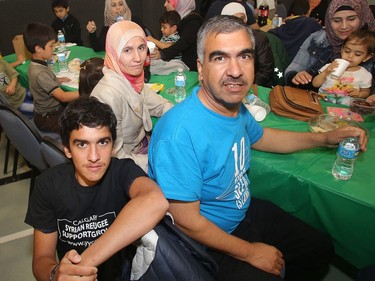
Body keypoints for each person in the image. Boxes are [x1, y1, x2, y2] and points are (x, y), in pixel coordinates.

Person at [148, 15, 369, 281]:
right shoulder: (179, 133)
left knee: (319, 248)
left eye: (244, 56)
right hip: (206, 240)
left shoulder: (232, 106)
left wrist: (323, 139)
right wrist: (249, 252)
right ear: (201, 67)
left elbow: (261, 136)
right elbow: (187, 221)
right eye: (220, 58)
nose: (235, 71)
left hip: (242, 210)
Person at [24, 96, 168, 280]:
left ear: (113, 145)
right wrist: (56, 275)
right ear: (67, 149)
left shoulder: (123, 171)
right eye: (82, 144)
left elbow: (155, 200)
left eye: (102, 142)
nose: (94, 156)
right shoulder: (48, 185)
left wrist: (83, 265)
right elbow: (41, 260)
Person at [91, 21, 173, 172]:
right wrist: (158, 161)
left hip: (141, 146)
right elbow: (116, 156)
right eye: (127, 50)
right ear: (113, 53)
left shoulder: (131, 79)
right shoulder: (108, 96)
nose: (138, 58)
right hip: (126, 162)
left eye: (141, 48)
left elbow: (162, 105)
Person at [284, 0, 375, 89]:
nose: (344, 26)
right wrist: (296, 76)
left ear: (363, 17)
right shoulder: (318, 39)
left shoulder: (371, 44)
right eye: (336, 20)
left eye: (351, 19)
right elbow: (293, 69)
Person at [23, 22, 79, 134]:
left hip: (48, 113)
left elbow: (40, 83)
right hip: (48, 118)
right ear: (38, 49)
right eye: (51, 46)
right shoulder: (40, 72)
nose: (54, 49)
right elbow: (62, 97)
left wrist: (56, 80)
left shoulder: (34, 64)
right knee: (77, 127)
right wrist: (85, 92)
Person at [210, 1, 274, 87]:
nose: (239, 23)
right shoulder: (218, 40)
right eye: (233, 19)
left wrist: (244, 86)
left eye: (242, 18)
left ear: (246, 19)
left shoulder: (259, 39)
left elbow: (265, 71)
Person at [312, 29, 374, 105]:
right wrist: (325, 72)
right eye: (347, 51)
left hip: (345, 108)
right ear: (342, 50)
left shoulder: (364, 74)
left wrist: (359, 94)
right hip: (321, 103)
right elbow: (315, 84)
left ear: (367, 57)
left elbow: (366, 91)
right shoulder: (331, 66)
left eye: (357, 54)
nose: (350, 56)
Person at [150, 0, 203, 72]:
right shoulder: (179, 21)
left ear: (181, 4)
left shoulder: (193, 22)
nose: (165, 5)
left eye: (168, 1)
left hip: (191, 70)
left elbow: (182, 43)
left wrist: (162, 54)